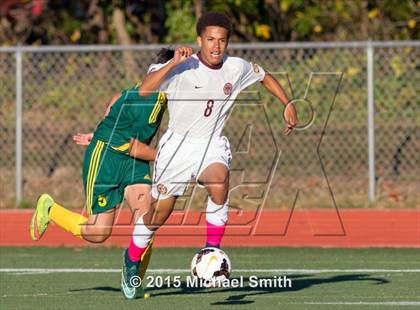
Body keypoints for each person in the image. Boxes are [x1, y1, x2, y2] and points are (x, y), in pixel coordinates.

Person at [120, 12, 297, 298]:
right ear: (200, 39)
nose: (216, 46)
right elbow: (144, 90)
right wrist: (173, 63)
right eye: (211, 39)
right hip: (177, 147)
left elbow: (264, 76)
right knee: (158, 214)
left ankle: (212, 250)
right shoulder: (181, 66)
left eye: (222, 40)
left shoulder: (236, 68)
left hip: (211, 143)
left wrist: (287, 102)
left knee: (219, 181)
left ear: (228, 42)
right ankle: (131, 257)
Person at [30, 48, 174, 299]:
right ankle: (50, 209)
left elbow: (112, 107)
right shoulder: (150, 97)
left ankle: (134, 278)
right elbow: (128, 142)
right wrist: (168, 157)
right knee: (99, 232)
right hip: (110, 159)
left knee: (147, 221)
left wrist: (98, 133)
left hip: (132, 160)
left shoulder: (149, 92)